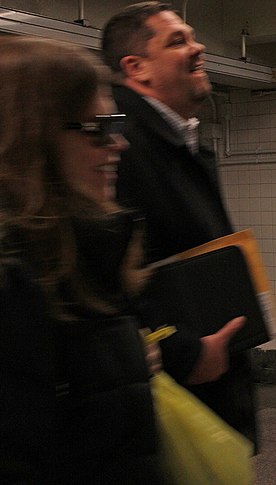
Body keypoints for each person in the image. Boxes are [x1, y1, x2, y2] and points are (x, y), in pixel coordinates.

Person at [0, 36, 165, 484]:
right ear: (31, 138)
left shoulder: (84, 255)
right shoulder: (14, 281)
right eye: (98, 129)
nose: (118, 145)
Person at [101, 2, 257, 447]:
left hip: (208, 385)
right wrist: (185, 353)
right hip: (175, 399)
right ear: (137, 67)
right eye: (177, 41)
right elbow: (109, 283)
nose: (199, 47)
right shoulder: (122, 151)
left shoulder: (178, 144)